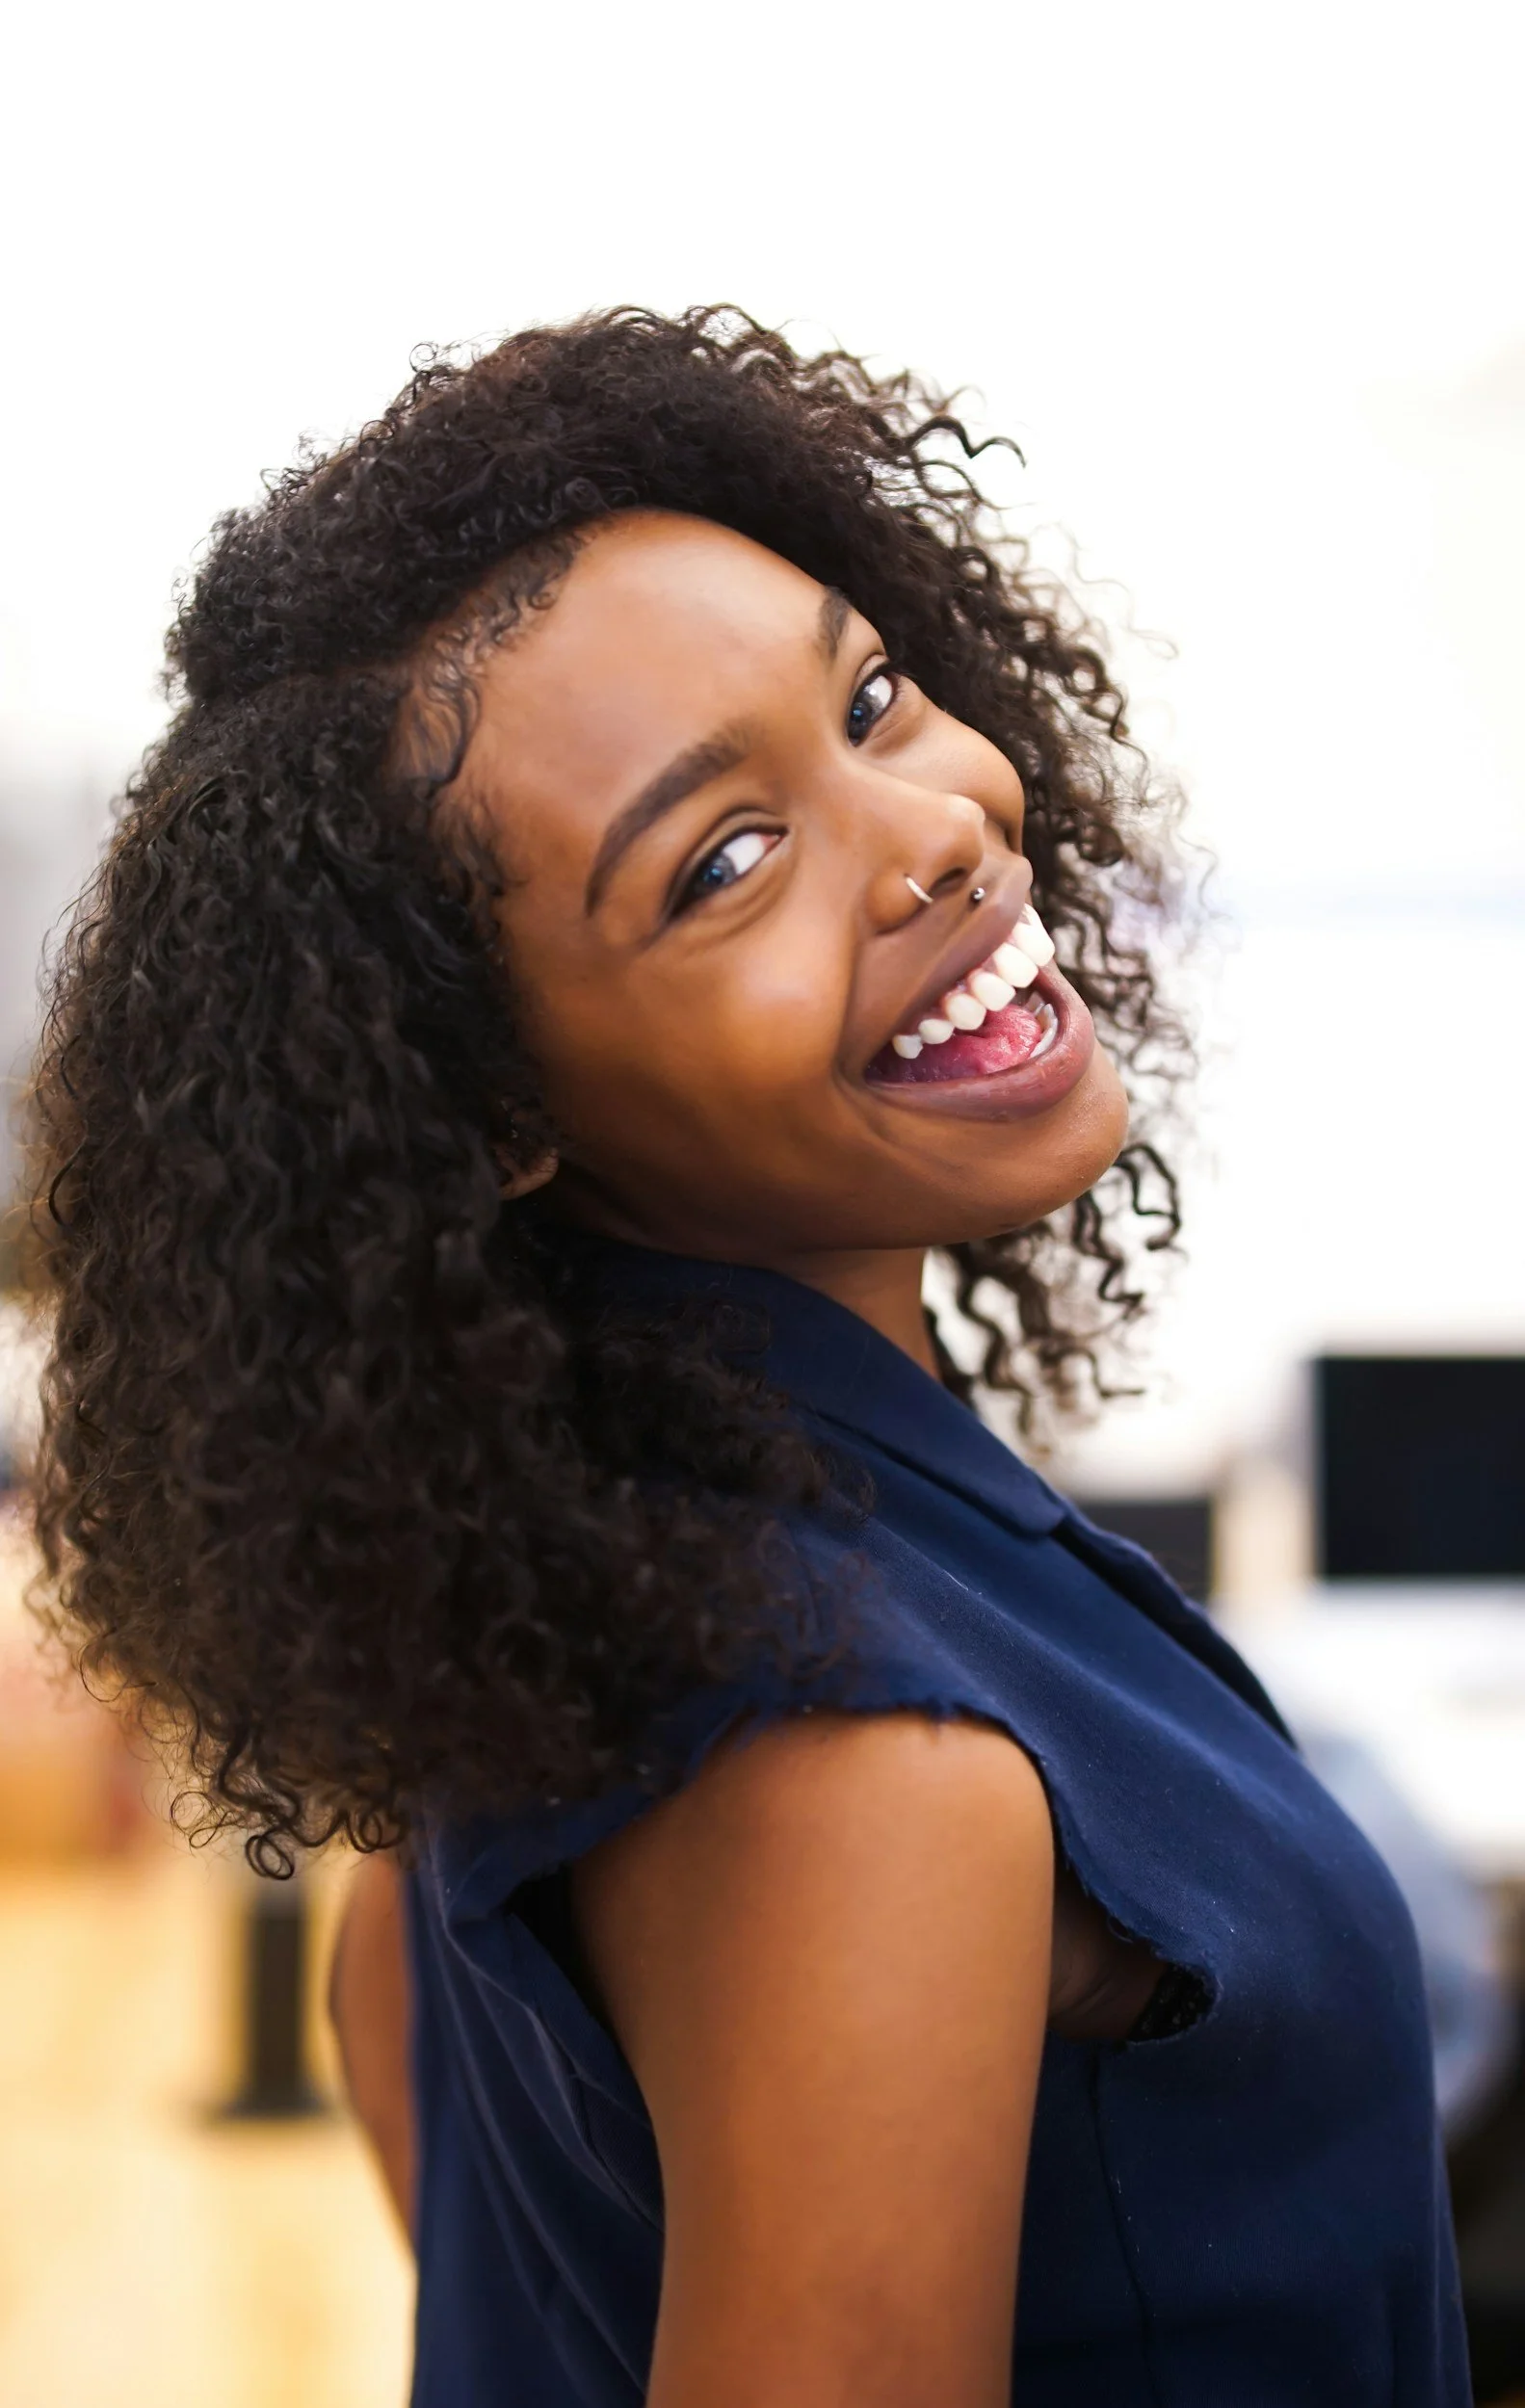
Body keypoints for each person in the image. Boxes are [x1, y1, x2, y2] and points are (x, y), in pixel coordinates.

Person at [27, 307, 1468, 2406]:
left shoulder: (567, 1613)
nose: (932, 828)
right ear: (490, 1109)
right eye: (722, 861)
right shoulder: (858, 1756)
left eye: (870, 698)